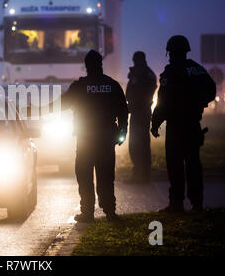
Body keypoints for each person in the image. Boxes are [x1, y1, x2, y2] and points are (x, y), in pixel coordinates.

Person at [60, 49, 129, 222]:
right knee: (106, 176)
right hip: (106, 140)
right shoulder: (112, 85)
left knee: (84, 176)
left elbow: (62, 104)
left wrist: (35, 110)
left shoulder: (80, 86)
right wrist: (122, 130)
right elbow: (123, 111)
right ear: (101, 64)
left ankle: (88, 213)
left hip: (85, 140)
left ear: (86, 66)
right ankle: (110, 212)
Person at [151, 35, 216, 213]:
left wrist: (155, 123)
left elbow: (162, 102)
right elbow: (211, 89)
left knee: (175, 166)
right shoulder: (197, 68)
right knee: (194, 165)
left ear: (170, 52)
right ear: (186, 51)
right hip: (194, 125)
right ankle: (197, 204)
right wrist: (200, 102)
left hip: (176, 127)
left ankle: (176, 204)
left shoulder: (171, 72)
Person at [125, 51, 157, 184]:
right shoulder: (146, 73)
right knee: (139, 144)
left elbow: (141, 93)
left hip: (140, 112)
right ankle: (141, 174)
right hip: (139, 111)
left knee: (138, 145)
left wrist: (134, 104)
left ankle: (141, 175)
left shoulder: (142, 74)